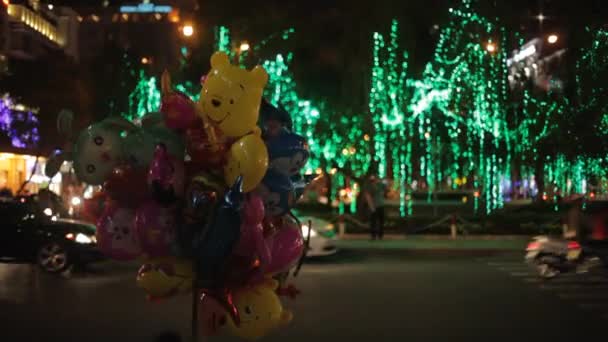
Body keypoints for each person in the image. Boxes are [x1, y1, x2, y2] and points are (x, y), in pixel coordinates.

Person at [364, 174, 386, 240]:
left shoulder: (380, 185)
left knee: (381, 221)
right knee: (373, 221)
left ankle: (380, 235)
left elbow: (386, 188)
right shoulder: (370, 187)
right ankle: (373, 235)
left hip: (381, 205)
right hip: (374, 206)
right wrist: (371, 206)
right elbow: (368, 197)